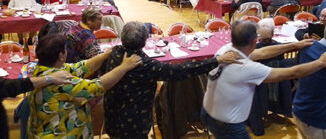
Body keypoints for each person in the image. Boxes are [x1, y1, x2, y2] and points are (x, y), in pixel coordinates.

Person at [201, 21, 326, 139]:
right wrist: (321, 62)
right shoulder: (247, 68)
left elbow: (261, 52)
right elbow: (292, 72)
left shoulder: (226, 51)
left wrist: (294, 45)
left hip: (209, 111)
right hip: (226, 122)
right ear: (254, 41)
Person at [103, 21, 243, 138]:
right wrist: (217, 60)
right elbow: (181, 71)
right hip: (133, 121)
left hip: (112, 115)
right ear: (145, 41)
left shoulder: (114, 51)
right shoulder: (144, 65)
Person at [28, 34, 142, 138]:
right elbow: (97, 86)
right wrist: (124, 67)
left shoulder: (41, 70)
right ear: (61, 56)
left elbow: (80, 67)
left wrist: (105, 55)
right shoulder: (59, 82)